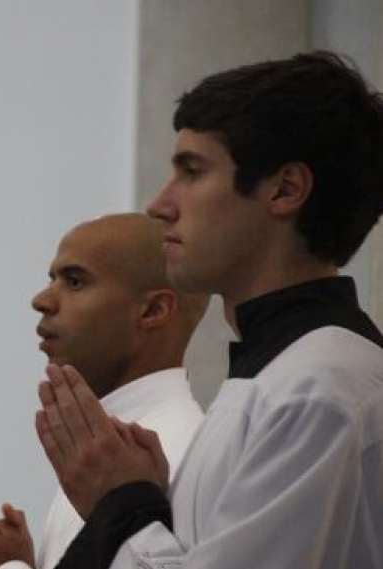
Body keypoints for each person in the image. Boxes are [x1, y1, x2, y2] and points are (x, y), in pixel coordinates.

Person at [36, 51, 383, 569]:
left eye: (192, 171)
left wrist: (122, 504)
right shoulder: (281, 376)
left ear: (285, 190)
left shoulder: (317, 389)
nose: (160, 205)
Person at [0, 213, 209, 569]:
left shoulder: (179, 449)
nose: (41, 300)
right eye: (52, 279)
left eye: (75, 281)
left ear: (152, 310)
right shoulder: (105, 445)